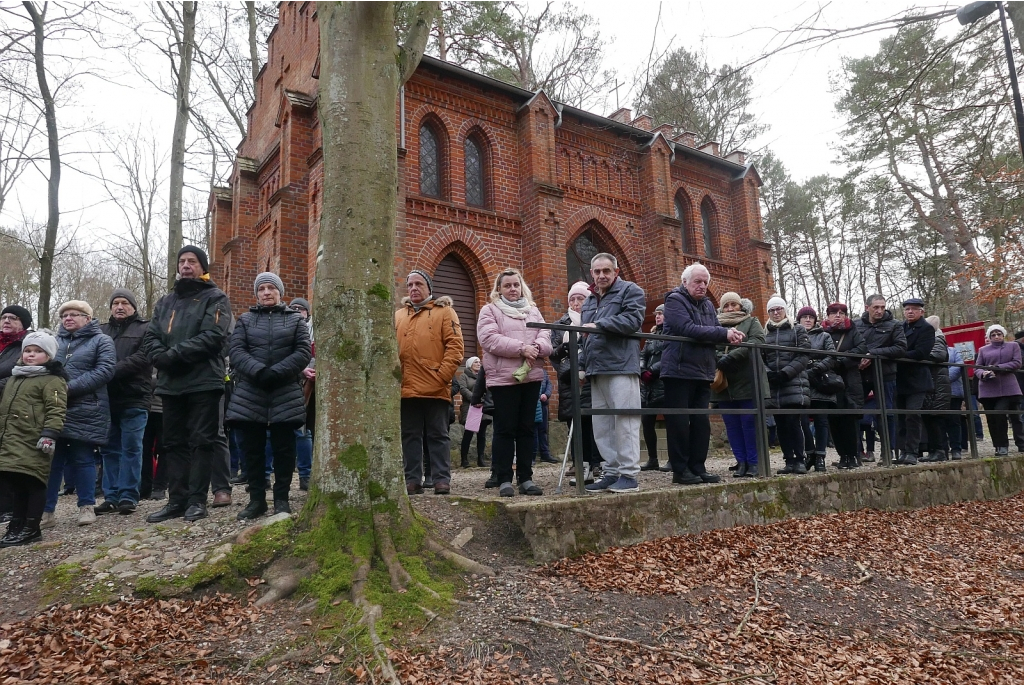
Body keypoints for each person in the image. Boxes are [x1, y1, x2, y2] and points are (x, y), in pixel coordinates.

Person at [143, 246, 232, 523]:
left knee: (202, 441)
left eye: (192, 261)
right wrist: (160, 356)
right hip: (171, 384)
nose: (185, 266)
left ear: (202, 267)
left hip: (204, 381)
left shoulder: (215, 298)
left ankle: (197, 501)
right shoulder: (165, 301)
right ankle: (177, 500)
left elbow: (213, 337)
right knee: (173, 443)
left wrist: (173, 355)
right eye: (181, 261)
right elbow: (150, 337)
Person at [227, 273, 311, 519]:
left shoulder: (295, 320)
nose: (266, 292)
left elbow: (303, 351)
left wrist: (277, 372)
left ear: (279, 292)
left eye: (271, 288)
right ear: (256, 293)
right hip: (250, 392)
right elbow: (237, 350)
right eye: (261, 288)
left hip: (285, 391)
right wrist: (259, 371)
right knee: (252, 449)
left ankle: (282, 499)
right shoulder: (245, 320)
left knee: (284, 448)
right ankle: (256, 500)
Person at [661, 264, 742, 485]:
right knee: (679, 422)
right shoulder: (675, 300)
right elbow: (687, 329)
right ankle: (680, 470)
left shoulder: (707, 304)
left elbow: (714, 332)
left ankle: (698, 466)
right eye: (698, 281)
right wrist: (723, 333)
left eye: (705, 282)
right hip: (678, 370)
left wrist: (729, 335)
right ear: (685, 281)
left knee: (700, 421)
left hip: (702, 371)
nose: (702, 286)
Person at [41, 300, 116, 528]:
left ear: (87, 318)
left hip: (87, 408)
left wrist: (66, 388)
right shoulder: (54, 342)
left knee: (83, 459)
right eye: (65, 315)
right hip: (55, 409)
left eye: (74, 314)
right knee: (52, 461)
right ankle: (46, 511)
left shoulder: (102, 340)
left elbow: (105, 370)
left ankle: (86, 506)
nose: (68, 318)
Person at [477, 268, 551, 497]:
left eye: (516, 285)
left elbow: (546, 334)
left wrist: (537, 348)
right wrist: (522, 348)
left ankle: (526, 478)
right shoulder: (489, 310)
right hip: (503, 380)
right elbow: (489, 339)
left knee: (527, 429)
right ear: (498, 289)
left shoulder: (533, 310)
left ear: (522, 287)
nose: (512, 289)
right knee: (505, 429)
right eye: (507, 285)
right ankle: (504, 478)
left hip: (530, 376)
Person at [581, 254, 646, 493]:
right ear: (591, 273)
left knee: (625, 421)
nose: (601, 276)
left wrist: (600, 325)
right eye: (597, 272)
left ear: (616, 272)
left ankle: (629, 475)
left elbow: (632, 320)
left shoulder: (631, 290)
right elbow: (584, 336)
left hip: (621, 365)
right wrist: (581, 364)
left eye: (606, 271)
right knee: (603, 424)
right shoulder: (589, 300)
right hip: (596, 369)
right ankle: (611, 472)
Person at [396, 269, 463, 495]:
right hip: (406, 387)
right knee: (410, 435)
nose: (414, 288)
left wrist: (442, 376)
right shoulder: (398, 316)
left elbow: (455, 347)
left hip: (435, 386)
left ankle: (441, 479)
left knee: (438, 434)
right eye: (410, 285)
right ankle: (412, 480)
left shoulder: (445, 312)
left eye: (418, 284)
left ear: (428, 288)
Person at [0, 332, 67, 547]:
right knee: (17, 482)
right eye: (28, 350)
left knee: (33, 481)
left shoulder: (52, 380)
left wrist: (49, 434)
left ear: (48, 356)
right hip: (12, 438)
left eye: (38, 351)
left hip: (34, 439)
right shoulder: (15, 377)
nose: (31, 355)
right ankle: (16, 525)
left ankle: (32, 527)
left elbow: (56, 409)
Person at [96, 289, 152, 516]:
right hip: (106, 399)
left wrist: (109, 371)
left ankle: (129, 495)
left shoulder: (146, 328)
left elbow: (143, 357)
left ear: (133, 306)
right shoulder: (100, 331)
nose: (119, 307)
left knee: (132, 447)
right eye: (115, 303)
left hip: (135, 397)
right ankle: (110, 496)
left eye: (125, 303)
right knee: (109, 449)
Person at [550, 281, 603, 485]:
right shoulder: (561, 324)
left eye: (580, 298)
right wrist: (565, 350)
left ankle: (597, 461)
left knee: (594, 419)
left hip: (591, 376)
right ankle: (578, 461)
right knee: (574, 420)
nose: (575, 303)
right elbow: (553, 354)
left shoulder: (593, 319)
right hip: (568, 378)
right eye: (572, 299)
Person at [711, 292, 767, 479]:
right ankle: (741, 461)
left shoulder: (751, 322)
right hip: (725, 382)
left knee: (749, 422)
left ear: (741, 306)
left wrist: (732, 356)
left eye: (733, 305)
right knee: (732, 424)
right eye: (726, 306)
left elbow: (758, 341)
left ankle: (754, 462)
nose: (730, 309)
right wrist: (720, 359)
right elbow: (710, 346)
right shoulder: (715, 325)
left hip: (747, 380)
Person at [855, 294, 907, 461]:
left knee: (886, 413)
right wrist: (858, 359)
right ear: (867, 307)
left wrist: (873, 354)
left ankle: (888, 451)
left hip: (885, 374)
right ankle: (855, 452)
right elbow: (851, 345)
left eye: (882, 307)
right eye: (876, 307)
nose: (879, 310)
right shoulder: (856, 325)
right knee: (854, 411)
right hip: (860, 374)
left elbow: (900, 348)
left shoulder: (895, 325)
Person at [762, 296, 810, 475]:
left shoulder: (797, 330)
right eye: (772, 310)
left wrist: (786, 373)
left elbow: (803, 356)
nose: (776, 313)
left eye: (779, 309)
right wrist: (769, 374)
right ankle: (788, 459)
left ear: (784, 310)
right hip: (774, 385)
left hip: (793, 383)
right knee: (780, 423)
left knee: (793, 422)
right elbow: (760, 357)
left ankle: (799, 459)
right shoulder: (764, 333)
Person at [823, 303, 867, 470]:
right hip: (830, 383)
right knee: (834, 420)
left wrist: (842, 360)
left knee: (850, 418)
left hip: (849, 381)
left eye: (842, 313)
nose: (838, 316)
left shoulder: (852, 331)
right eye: (834, 313)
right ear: (828, 315)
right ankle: (842, 456)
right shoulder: (823, 332)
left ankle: (853, 455)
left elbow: (862, 348)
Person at [0, 304, 32, 523]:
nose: (7, 321)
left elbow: (21, 373)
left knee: (9, 457)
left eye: (13, 318)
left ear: (23, 323)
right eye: (4, 317)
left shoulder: (27, 346)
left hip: (13, 406)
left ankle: (9, 507)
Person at [893, 298, 935, 466]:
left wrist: (897, 354)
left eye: (914, 309)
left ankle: (913, 451)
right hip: (900, 377)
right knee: (901, 417)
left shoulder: (926, 329)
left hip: (917, 379)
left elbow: (922, 353)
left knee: (913, 415)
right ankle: (904, 450)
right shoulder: (900, 327)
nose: (910, 312)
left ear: (921, 311)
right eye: (907, 309)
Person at [798, 306, 837, 473]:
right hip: (801, 382)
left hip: (820, 381)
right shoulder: (795, 335)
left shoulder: (824, 336)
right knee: (803, 421)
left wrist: (816, 368)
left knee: (821, 421)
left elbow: (832, 355)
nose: (808, 319)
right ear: (799, 319)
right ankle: (810, 453)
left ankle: (820, 456)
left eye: (811, 317)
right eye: (804, 317)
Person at [975, 324, 1022, 456]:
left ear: (1003, 335)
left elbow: (1017, 362)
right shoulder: (983, 350)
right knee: (991, 418)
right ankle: (997, 445)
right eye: (993, 334)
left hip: (1008, 388)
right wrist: (983, 374)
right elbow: (977, 367)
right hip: (988, 388)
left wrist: (998, 367)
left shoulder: (1013, 346)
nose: (996, 336)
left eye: (999, 334)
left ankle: (1003, 445)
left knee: (999, 413)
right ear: (989, 337)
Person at [289, 297, 315, 490]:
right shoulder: (285, 328)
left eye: (302, 309)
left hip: (309, 386)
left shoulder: (313, 331)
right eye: (294, 308)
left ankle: (305, 475)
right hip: (287, 383)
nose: (298, 311)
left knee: (303, 431)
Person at [640, 304, 668, 471]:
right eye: (656, 314)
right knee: (647, 423)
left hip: (663, 383)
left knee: (671, 422)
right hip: (648, 386)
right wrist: (642, 369)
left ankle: (673, 458)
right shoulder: (652, 335)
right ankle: (652, 459)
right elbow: (643, 354)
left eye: (661, 314)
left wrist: (653, 371)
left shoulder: (671, 334)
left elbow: (669, 355)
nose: (658, 317)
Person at [920, 316, 952, 462]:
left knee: (935, 419)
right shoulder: (932, 338)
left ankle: (940, 450)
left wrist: (919, 355)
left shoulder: (938, 339)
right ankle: (935, 450)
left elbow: (939, 355)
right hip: (933, 383)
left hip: (938, 385)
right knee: (930, 419)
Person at [457, 357, 491, 468]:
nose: (478, 363)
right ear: (470, 364)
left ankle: (481, 459)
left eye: (479, 362)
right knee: (468, 435)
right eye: (475, 362)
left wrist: (482, 400)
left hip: (483, 407)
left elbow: (488, 389)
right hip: (471, 407)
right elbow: (463, 389)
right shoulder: (464, 376)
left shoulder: (483, 376)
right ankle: (464, 460)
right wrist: (475, 399)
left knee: (482, 435)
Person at [945, 341, 965, 461]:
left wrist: (943, 378)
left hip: (954, 391)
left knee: (954, 421)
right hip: (934, 392)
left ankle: (956, 449)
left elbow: (958, 366)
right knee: (938, 422)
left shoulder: (953, 351)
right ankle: (942, 449)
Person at [534, 371, 555, 464]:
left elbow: (549, 385)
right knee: (532, 431)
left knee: (543, 430)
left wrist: (546, 394)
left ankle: (545, 453)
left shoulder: (543, 372)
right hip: (533, 404)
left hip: (542, 405)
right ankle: (532, 456)